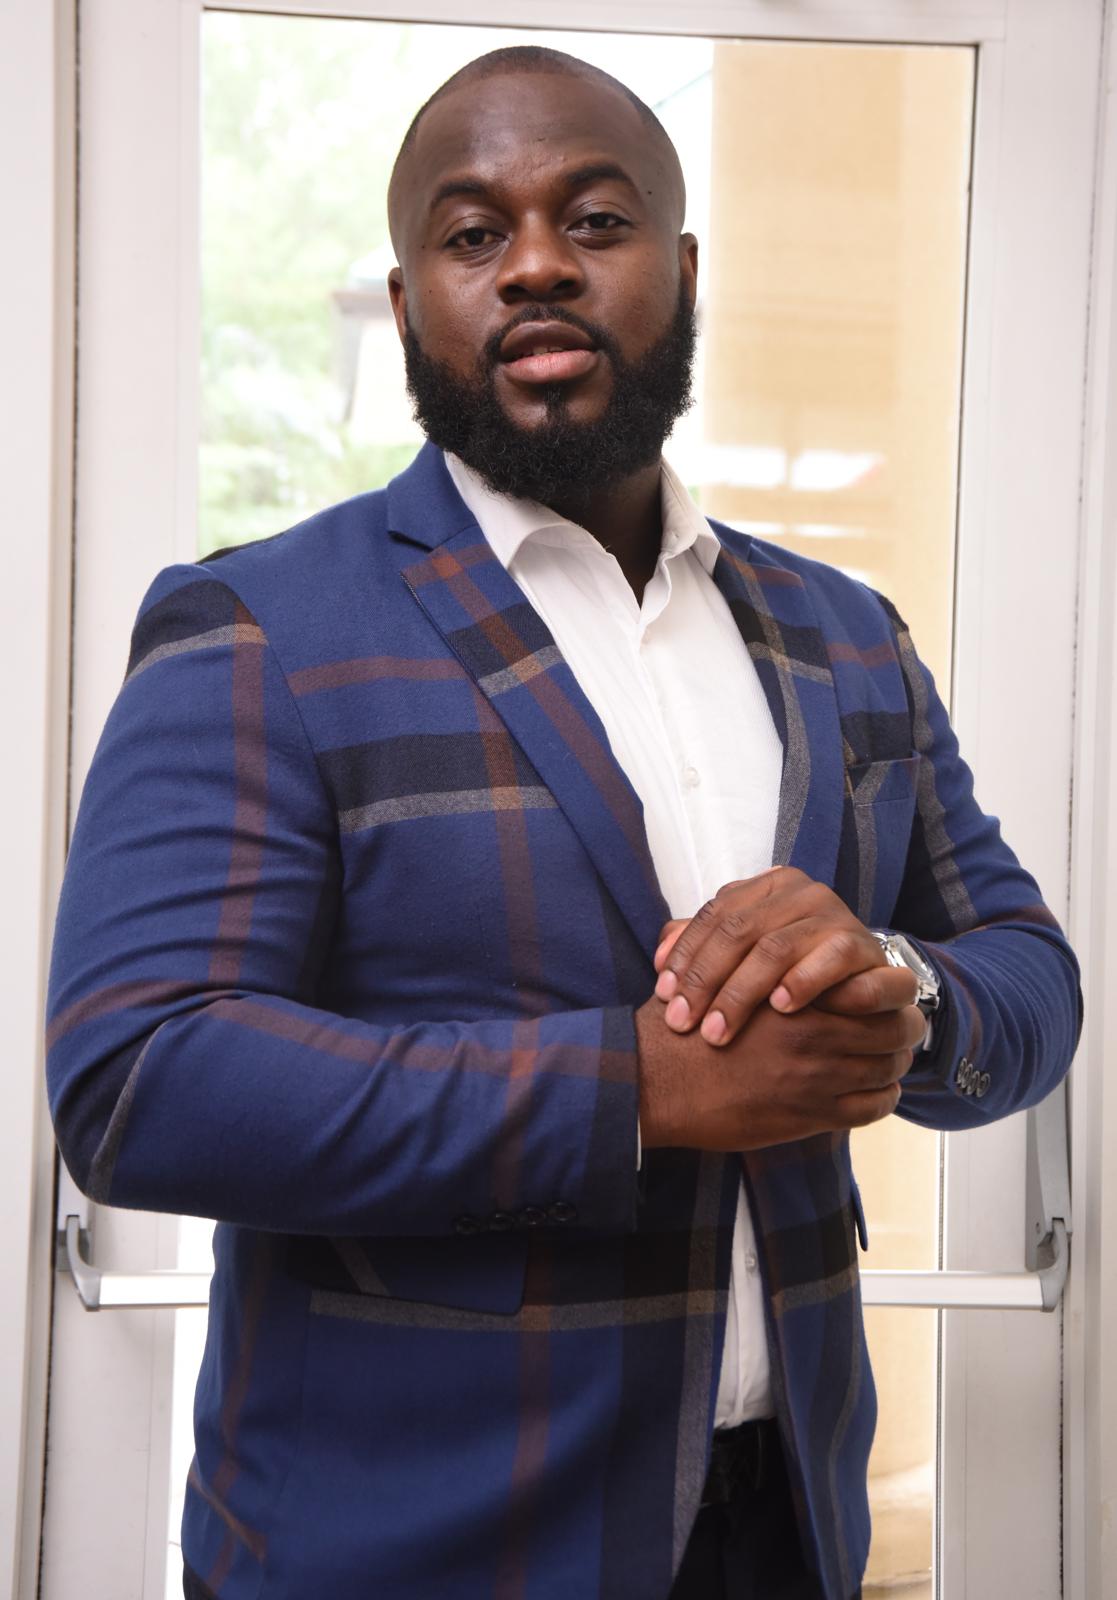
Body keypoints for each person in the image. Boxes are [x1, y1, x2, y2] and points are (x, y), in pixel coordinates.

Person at [45, 46, 1080, 1600]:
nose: (535, 263)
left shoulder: (844, 632)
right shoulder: (259, 627)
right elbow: (141, 1081)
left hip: (786, 1524)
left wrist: (900, 991)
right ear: (409, 306)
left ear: (683, 271)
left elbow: (1026, 973)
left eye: (594, 220)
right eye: (472, 235)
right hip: (406, 1551)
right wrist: (635, 1089)